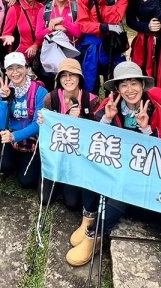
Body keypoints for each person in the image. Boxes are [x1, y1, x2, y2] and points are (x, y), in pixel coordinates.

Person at [67, 61, 161, 266]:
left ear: (142, 85)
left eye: (134, 83)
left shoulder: (156, 107)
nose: (130, 90)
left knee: (121, 192)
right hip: (116, 166)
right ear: (117, 89)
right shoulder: (110, 105)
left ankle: (95, 234)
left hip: (144, 172)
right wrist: (107, 120)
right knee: (91, 169)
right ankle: (88, 217)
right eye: (124, 85)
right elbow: (94, 140)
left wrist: (146, 130)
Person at [39, 58, 99, 211]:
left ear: (80, 77)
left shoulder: (92, 101)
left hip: (78, 158)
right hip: (56, 155)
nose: (68, 79)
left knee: (72, 203)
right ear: (59, 79)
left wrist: (79, 121)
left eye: (72, 74)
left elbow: (96, 134)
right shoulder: (51, 98)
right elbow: (46, 130)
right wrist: (43, 122)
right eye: (63, 75)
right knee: (44, 199)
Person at [76, 0, 130, 94]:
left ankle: (115, 109)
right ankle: (90, 109)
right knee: (89, 84)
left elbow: (115, 18)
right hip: (91, 46)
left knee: (116, 81)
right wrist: (102, 27)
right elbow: (82, 24)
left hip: (114, 44)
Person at [0, 52, 47, 189]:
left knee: (27, 181)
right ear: (6, 72)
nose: (15, 72)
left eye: (19, 67)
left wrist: (15, 136)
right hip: (11, 137)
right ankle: (14, 160)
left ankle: (26, 161)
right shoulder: (2, 92)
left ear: (26, 68)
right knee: (2, 165)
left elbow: (38, 124)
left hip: (32, 138)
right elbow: (1, 124)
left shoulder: (40, 92)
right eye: (10, 68)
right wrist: (3, 100)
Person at [0, 0, 46, 68]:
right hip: (19, 58)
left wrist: (36, 45)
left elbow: (44, 31)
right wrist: (8, 38)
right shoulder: (15, 9)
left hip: (39, 55)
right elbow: (6, 34)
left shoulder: (41, 7)